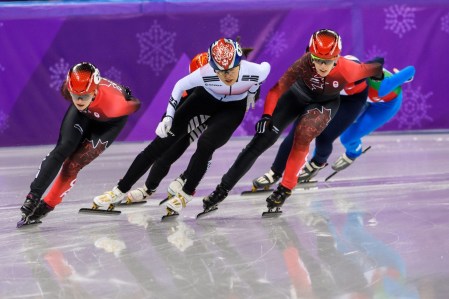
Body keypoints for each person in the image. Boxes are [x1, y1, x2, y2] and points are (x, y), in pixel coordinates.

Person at [202, 29, 384, 213]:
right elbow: (276, 90)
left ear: (337, 58)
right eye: (317, 59)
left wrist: (379, 72)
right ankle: (222, 189)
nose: (322, 66)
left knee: (302, 136)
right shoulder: (302, 64)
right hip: (296, 96)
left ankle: (285, 189)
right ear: (309, 54)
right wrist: (266, 116)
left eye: (327, 61)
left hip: (324, 103)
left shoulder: (350, 69)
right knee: (260, 141)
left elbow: (375, 66)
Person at [93, 38, 271, 215]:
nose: (227, 77)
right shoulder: (204, 73)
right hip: (204, 101)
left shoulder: (256, 71)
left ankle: (186, 192)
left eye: (231, 70)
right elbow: (178, 87)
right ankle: (119, 191)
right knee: (160, 144)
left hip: (231, 110)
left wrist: (252, 92)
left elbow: (265, 68)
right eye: (220, 72)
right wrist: (168, 117)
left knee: (206, 145)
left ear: (240, 63)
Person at [126, 46, 258, 204]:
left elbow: (252, 90)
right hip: (198, 114)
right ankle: (149, 188)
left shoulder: (236, 80)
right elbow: (176, 109)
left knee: (206, 147)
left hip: (221, 115)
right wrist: (166, 122)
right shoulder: (193, 86)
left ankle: (186, 178)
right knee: (168, 153)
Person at [252, 63, 416, 187]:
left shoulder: (381, 86)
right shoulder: (339, 77)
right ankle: (315, 161)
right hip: (359, 98)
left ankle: (353, 152)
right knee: (324, 128)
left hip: (384, 104)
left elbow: (411, 69)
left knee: (347, 138)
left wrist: (405, 76)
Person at [18, 62, 141, 226]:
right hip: (83, 115)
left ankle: (46, 206)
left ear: (95, 90)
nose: (80, 99)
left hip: (109, 123)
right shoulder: (68, 91)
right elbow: (79, 95)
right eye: (75, 95)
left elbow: (136, 105)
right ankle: (32, 197)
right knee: (63, 149)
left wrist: (127, 96)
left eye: (85, 94)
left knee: (72, 165)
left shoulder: (116, 104)